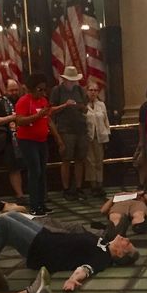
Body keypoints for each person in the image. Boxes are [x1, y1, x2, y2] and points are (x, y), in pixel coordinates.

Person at [0, 211, 139, 291]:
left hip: (43, 249)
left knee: (4, 222)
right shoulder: (103, 243)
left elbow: (86, 269)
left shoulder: (102, 258)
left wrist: (73, 280)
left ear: (119, 254)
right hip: (46, 236)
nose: (127, 239)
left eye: (127, 245)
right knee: (11, 215)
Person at [15, 73, 54, 216]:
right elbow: (19, 121)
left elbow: (48, 120)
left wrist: (59, 139)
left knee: (42, 172)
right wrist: (37, 116)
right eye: (40, 90)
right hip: (27, 141)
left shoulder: (43, 100)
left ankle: (42, 203)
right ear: (31, 89)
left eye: (44, 90)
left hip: (42, 141)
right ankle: (34, 204)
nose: (43, 93)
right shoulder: (23, 101)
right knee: (35, 171)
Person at [49, 66, 88, 200]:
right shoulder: (57, 91)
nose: (72, 83)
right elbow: (50, 110)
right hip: (65, 130)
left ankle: (78, 187)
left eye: (74, 80)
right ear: (64, 80)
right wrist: (65, 105)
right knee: (66, 159)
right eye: (70, 80)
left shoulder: (80, 90)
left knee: (80, 159)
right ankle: (66, 189)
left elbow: (85, 109)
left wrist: (80, 106)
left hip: (81, 129)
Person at [0, 79, 26, 202]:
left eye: (16, 90)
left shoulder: (22, 101)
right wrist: (11, 117)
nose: (14, 92)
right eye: (11, 90)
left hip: (25, 138)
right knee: (14, 168)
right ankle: (19, 195)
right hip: (9, 140)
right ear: (5, 90)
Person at [84, 81, 110, 198]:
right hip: (88, 137)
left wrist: (107, 136)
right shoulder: (84, 106)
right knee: (90, 162)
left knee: (99, 161)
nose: (93, 92)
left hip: (100, 137)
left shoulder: (102, 105)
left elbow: (106, 121)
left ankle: (100, 184)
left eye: (95, 90)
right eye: (91, 90)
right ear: (87, 91)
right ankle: (92, 185)